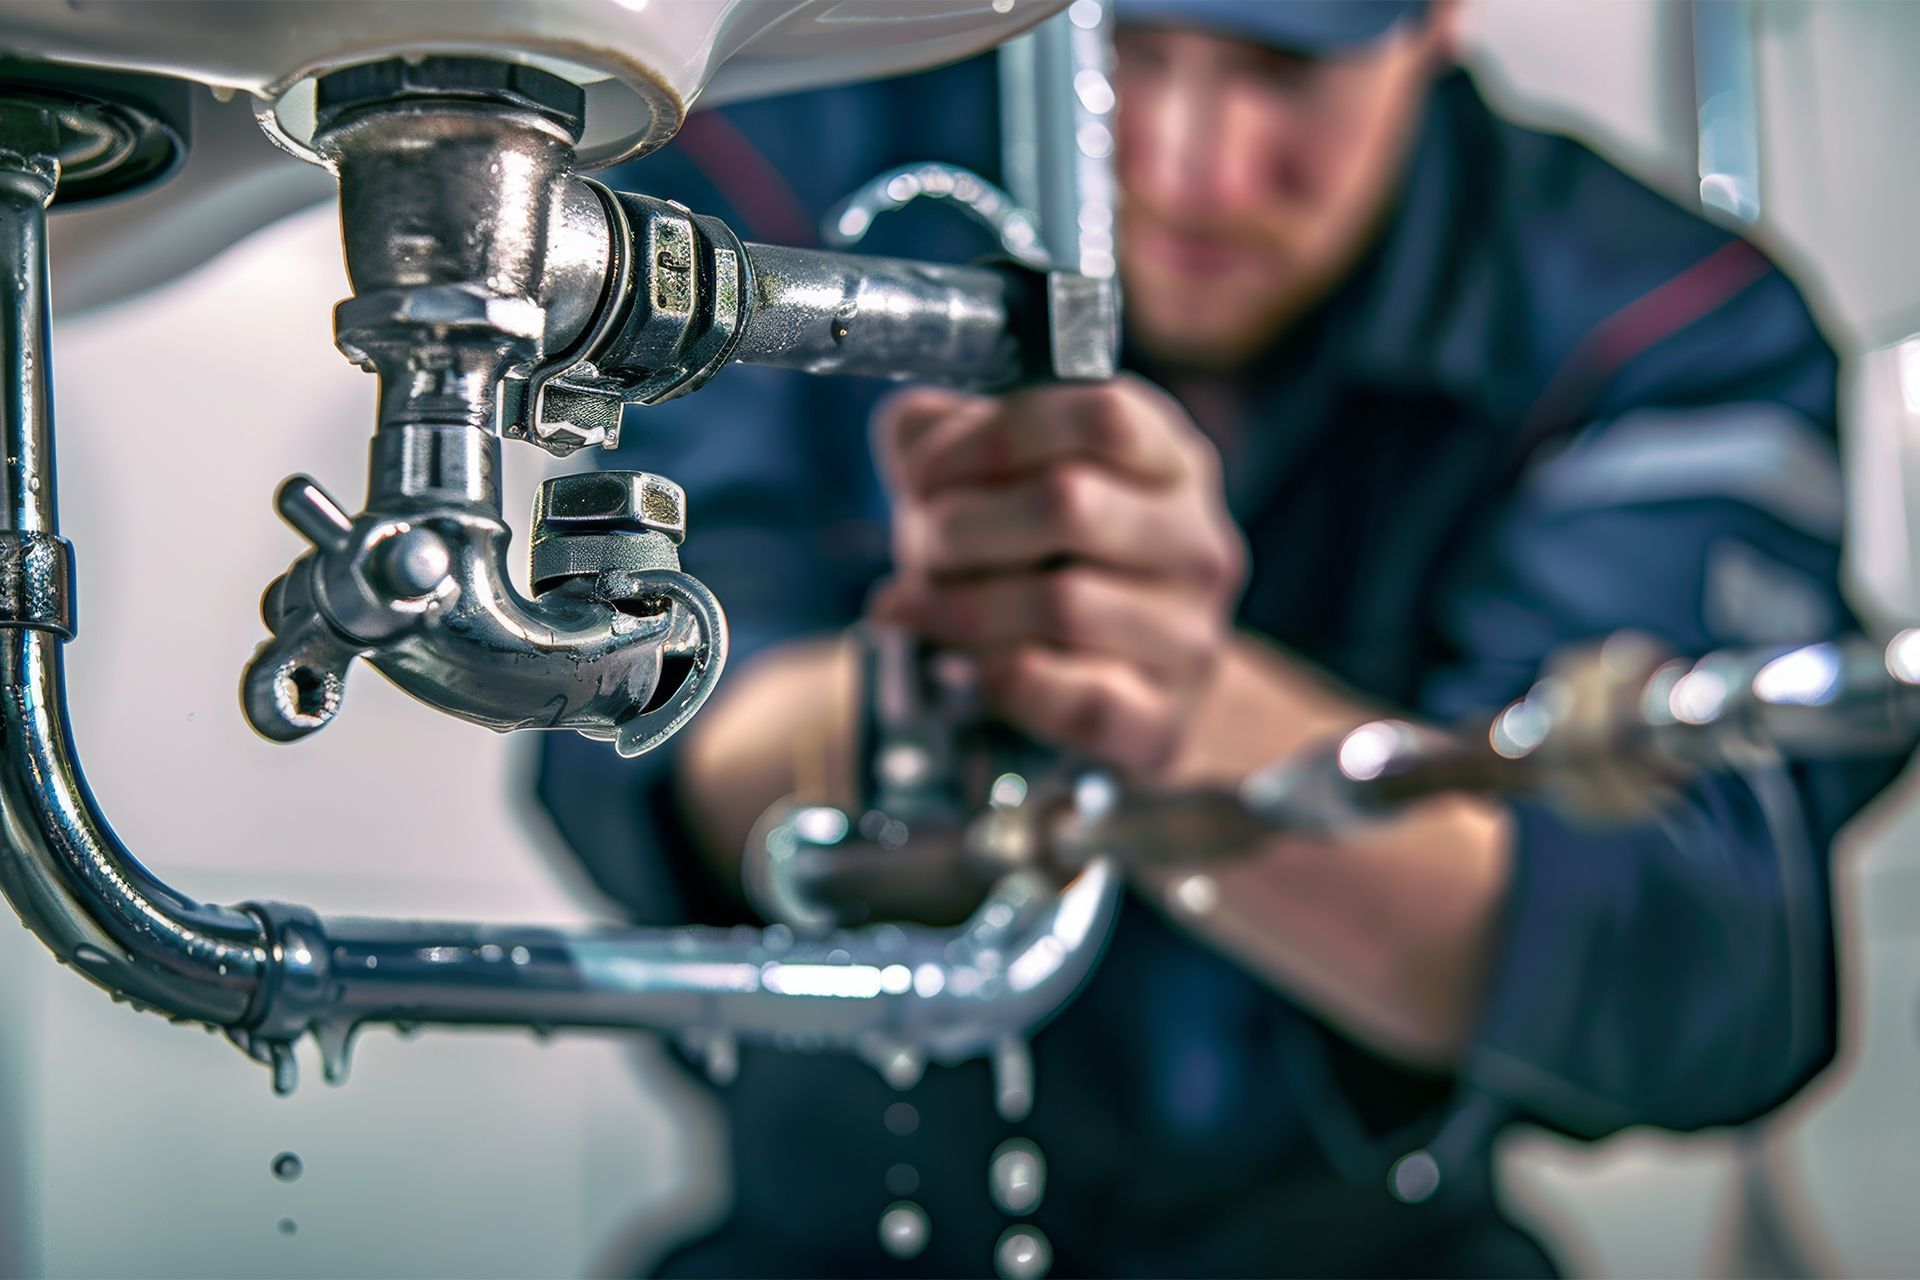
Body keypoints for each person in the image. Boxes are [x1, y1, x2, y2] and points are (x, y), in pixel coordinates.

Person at [539, 2, 1899, 1274]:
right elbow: (652, 733)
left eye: (1285, 69)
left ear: (1434, 18)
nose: (1193, 163)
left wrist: (1165, 695)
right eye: (1126, 48)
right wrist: (936, 694)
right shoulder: (766, 190)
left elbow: (1694, 976)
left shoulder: (1658, 323)